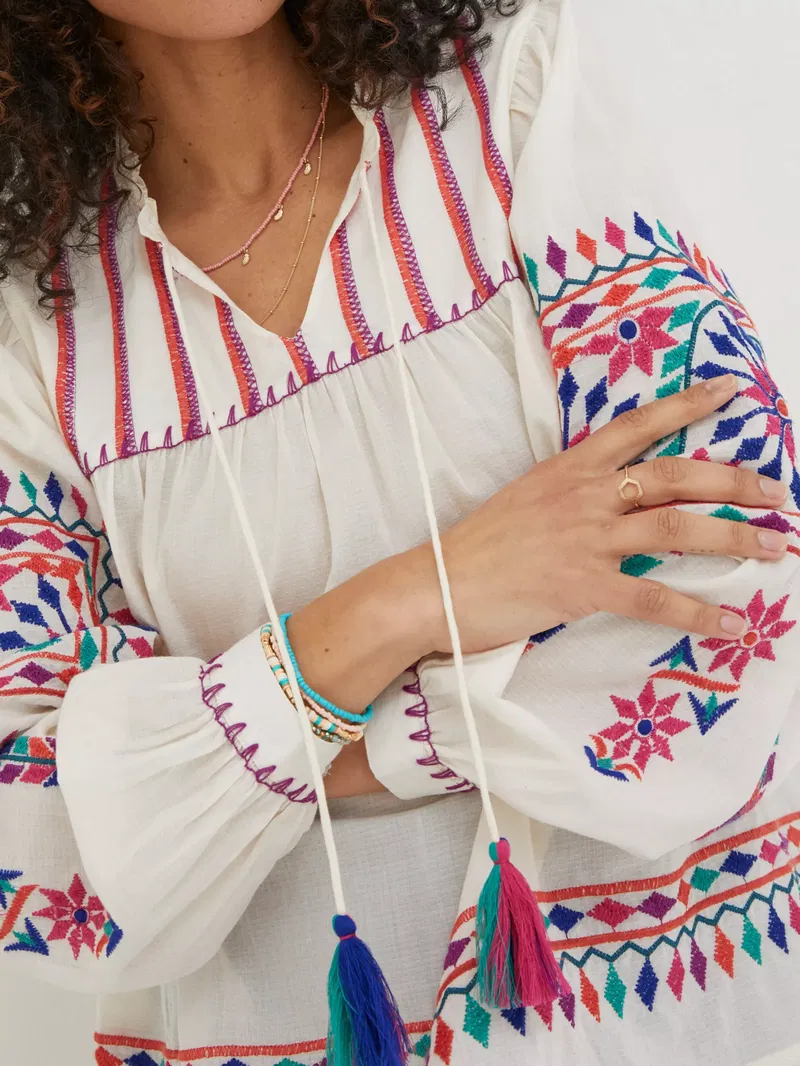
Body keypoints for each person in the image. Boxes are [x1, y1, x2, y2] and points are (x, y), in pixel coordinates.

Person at [0, 0, 798, 1063]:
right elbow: (43, 851)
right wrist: (422, 595)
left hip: (686, 1013)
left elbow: (730, 582)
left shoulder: (512, 95)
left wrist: (242, 747)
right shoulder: (28, 331)